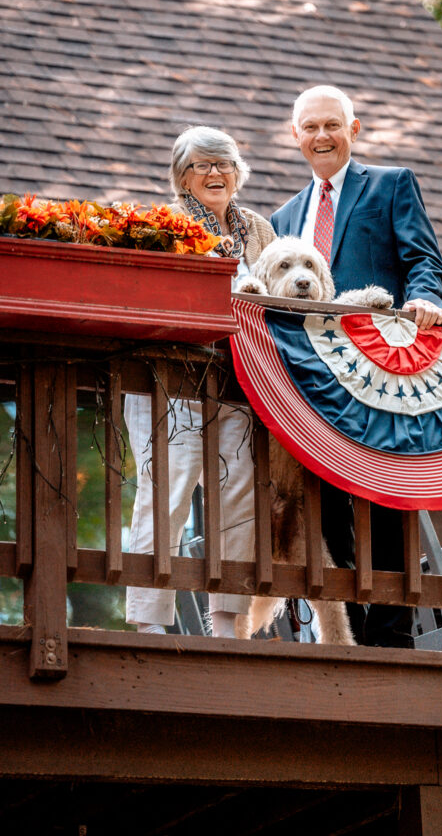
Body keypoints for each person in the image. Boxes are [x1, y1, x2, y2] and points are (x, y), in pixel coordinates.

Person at [271, 86, 442, 647]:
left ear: (354, 128)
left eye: (332, 125)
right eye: (310, 128)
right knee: (327, 508)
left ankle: (392, 636)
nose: (322, 136)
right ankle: (349, 633)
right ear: (294, 135)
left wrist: (426, 300)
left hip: (382, 375)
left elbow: (424, 260)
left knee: (387, 496)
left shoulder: (392, 184)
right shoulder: (284, 217)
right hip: (316, 382)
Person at [126, 126, 275, 638]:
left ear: (239, 173)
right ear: (182, 177)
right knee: (164, 492)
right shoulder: (163, 227)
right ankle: (149, 623)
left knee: (239, 497)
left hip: (238, 383)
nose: (215, 173)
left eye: (224, 164)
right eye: (202, 165)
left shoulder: (259, 229)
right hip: (169, 381)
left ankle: (227, 622)